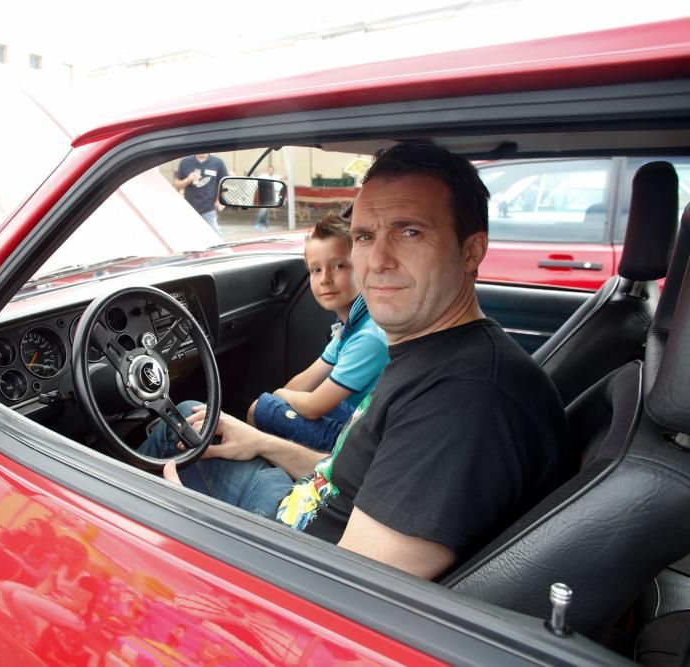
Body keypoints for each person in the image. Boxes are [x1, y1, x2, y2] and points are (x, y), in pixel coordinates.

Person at [141, 142, 568, 580]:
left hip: (284, 553)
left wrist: (188, 519)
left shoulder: (465, 401)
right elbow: (352, 480)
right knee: (197, 419)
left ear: (471, 252)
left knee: (163, 445)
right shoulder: (439, 356)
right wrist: (261, 442)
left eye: (409, 232)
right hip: (305, 510)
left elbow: (345, 594)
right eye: (365, 236)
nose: (377, 261)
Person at [248, 213, 387, 452]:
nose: (325, 279)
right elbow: (304, 382)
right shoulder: (351, 326)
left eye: (339, 266)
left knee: (258, 409)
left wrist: (278, 397)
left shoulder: (369, 337)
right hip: (356, 421)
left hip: (363, 441)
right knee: (269, 404)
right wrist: (281, 396)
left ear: (364, 268)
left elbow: (314, 406)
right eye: (315, 270)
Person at [174, 153, 229, 235]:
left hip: (209, 209)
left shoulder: (217, 162)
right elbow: (177, 185)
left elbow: (225, 184)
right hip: (190, 209)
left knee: (215, 236)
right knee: (190, 235)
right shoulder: (185, 162)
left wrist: (218, 203)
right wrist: (188, 179)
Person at [254, 164, 281, 230]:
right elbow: (257, 177)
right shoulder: (264, 176)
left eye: (272, 170)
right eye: (269, 170)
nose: (271, 171)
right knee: (264, 209)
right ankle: (260, 223)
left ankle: (264, 224)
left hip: (273, 195)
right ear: (267, 170)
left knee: (266, 210)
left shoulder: (276, 176)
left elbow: (283, 177)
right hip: (265, 196)